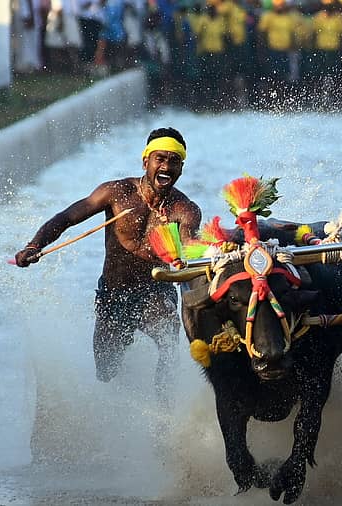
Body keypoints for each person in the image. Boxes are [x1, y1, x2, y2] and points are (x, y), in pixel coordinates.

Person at [14, 127, 202, 395]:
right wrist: (34, 245)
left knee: (167, 336)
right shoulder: (116, 193)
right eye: (160, 159)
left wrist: (209, 247)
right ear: (145, 162)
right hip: (113, 293)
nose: (166, 166)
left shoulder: (185, 209)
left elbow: (190, 244)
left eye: (174, 161)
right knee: (106, 371)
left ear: (181, 169)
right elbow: (67, 217)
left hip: (155, 290)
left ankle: (167, 411)